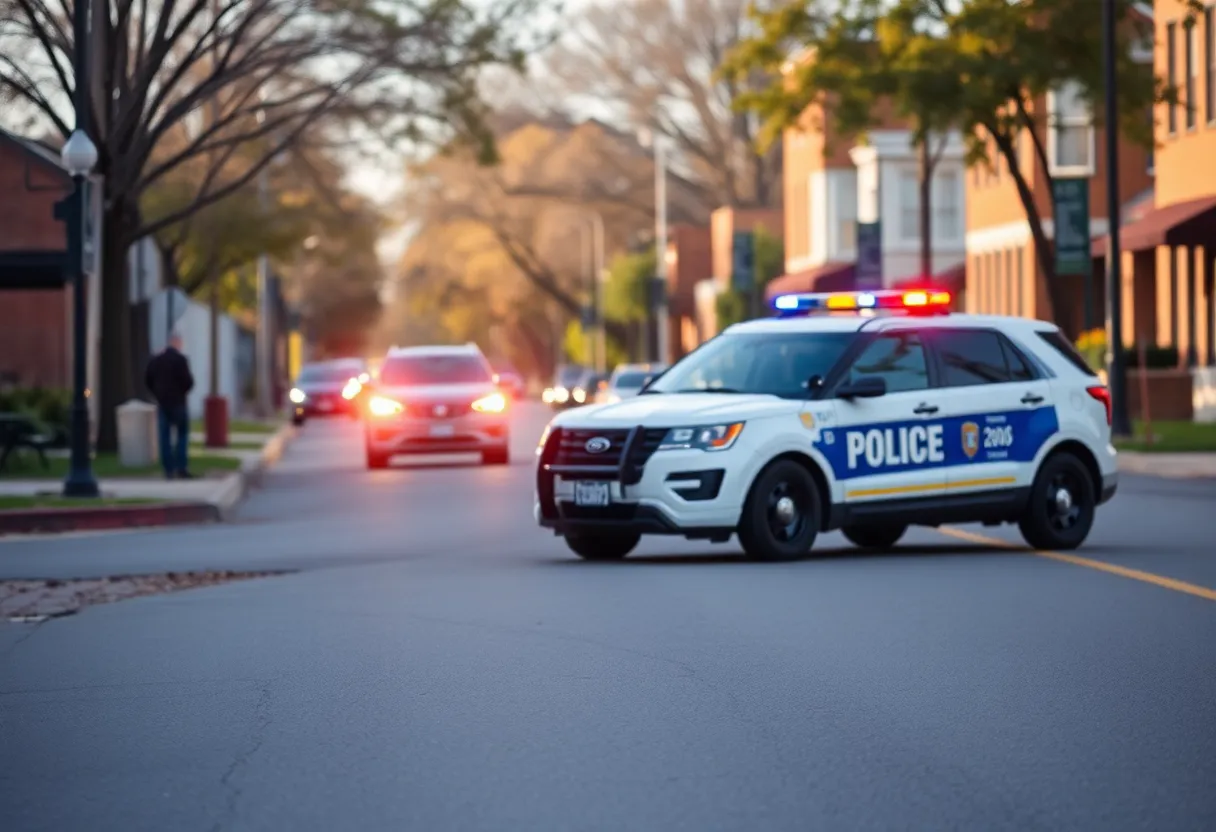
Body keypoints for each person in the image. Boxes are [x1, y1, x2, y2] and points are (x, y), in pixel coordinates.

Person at [144, 334, 195, 479]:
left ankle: (168, 470)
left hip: (163, 403)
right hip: (179, 403)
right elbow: (188, 382)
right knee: (182, 435)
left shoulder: (156, 360)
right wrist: (182, 392)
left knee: (164, 437)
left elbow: (148, 379)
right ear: (177, 343)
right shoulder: (181, 360)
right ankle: (181, 467)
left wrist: (157, 394)